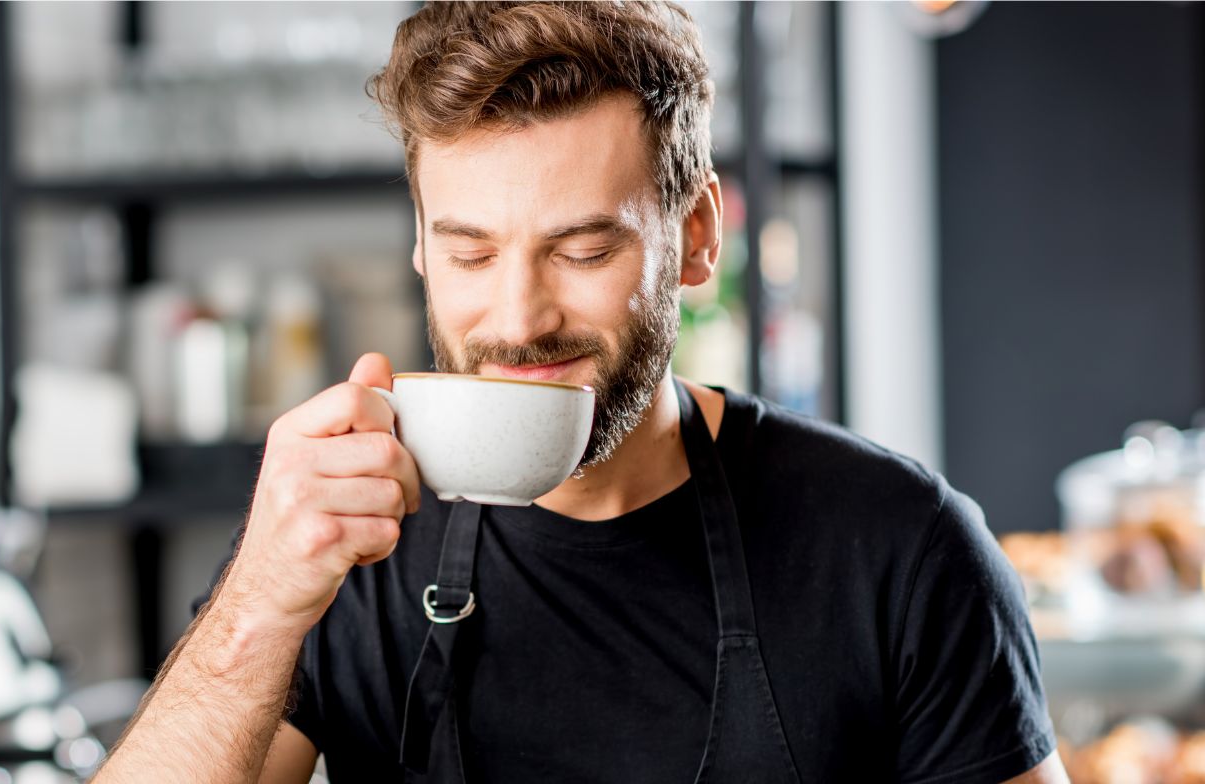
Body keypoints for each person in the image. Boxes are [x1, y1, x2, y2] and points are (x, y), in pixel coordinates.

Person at [97, 2, 1064, 782]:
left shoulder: (897, 546)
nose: (518, 319)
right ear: (422, 247)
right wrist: (260, 603)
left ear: (695, 239)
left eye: (583, 249)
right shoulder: (342, 547)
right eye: (471, 252)